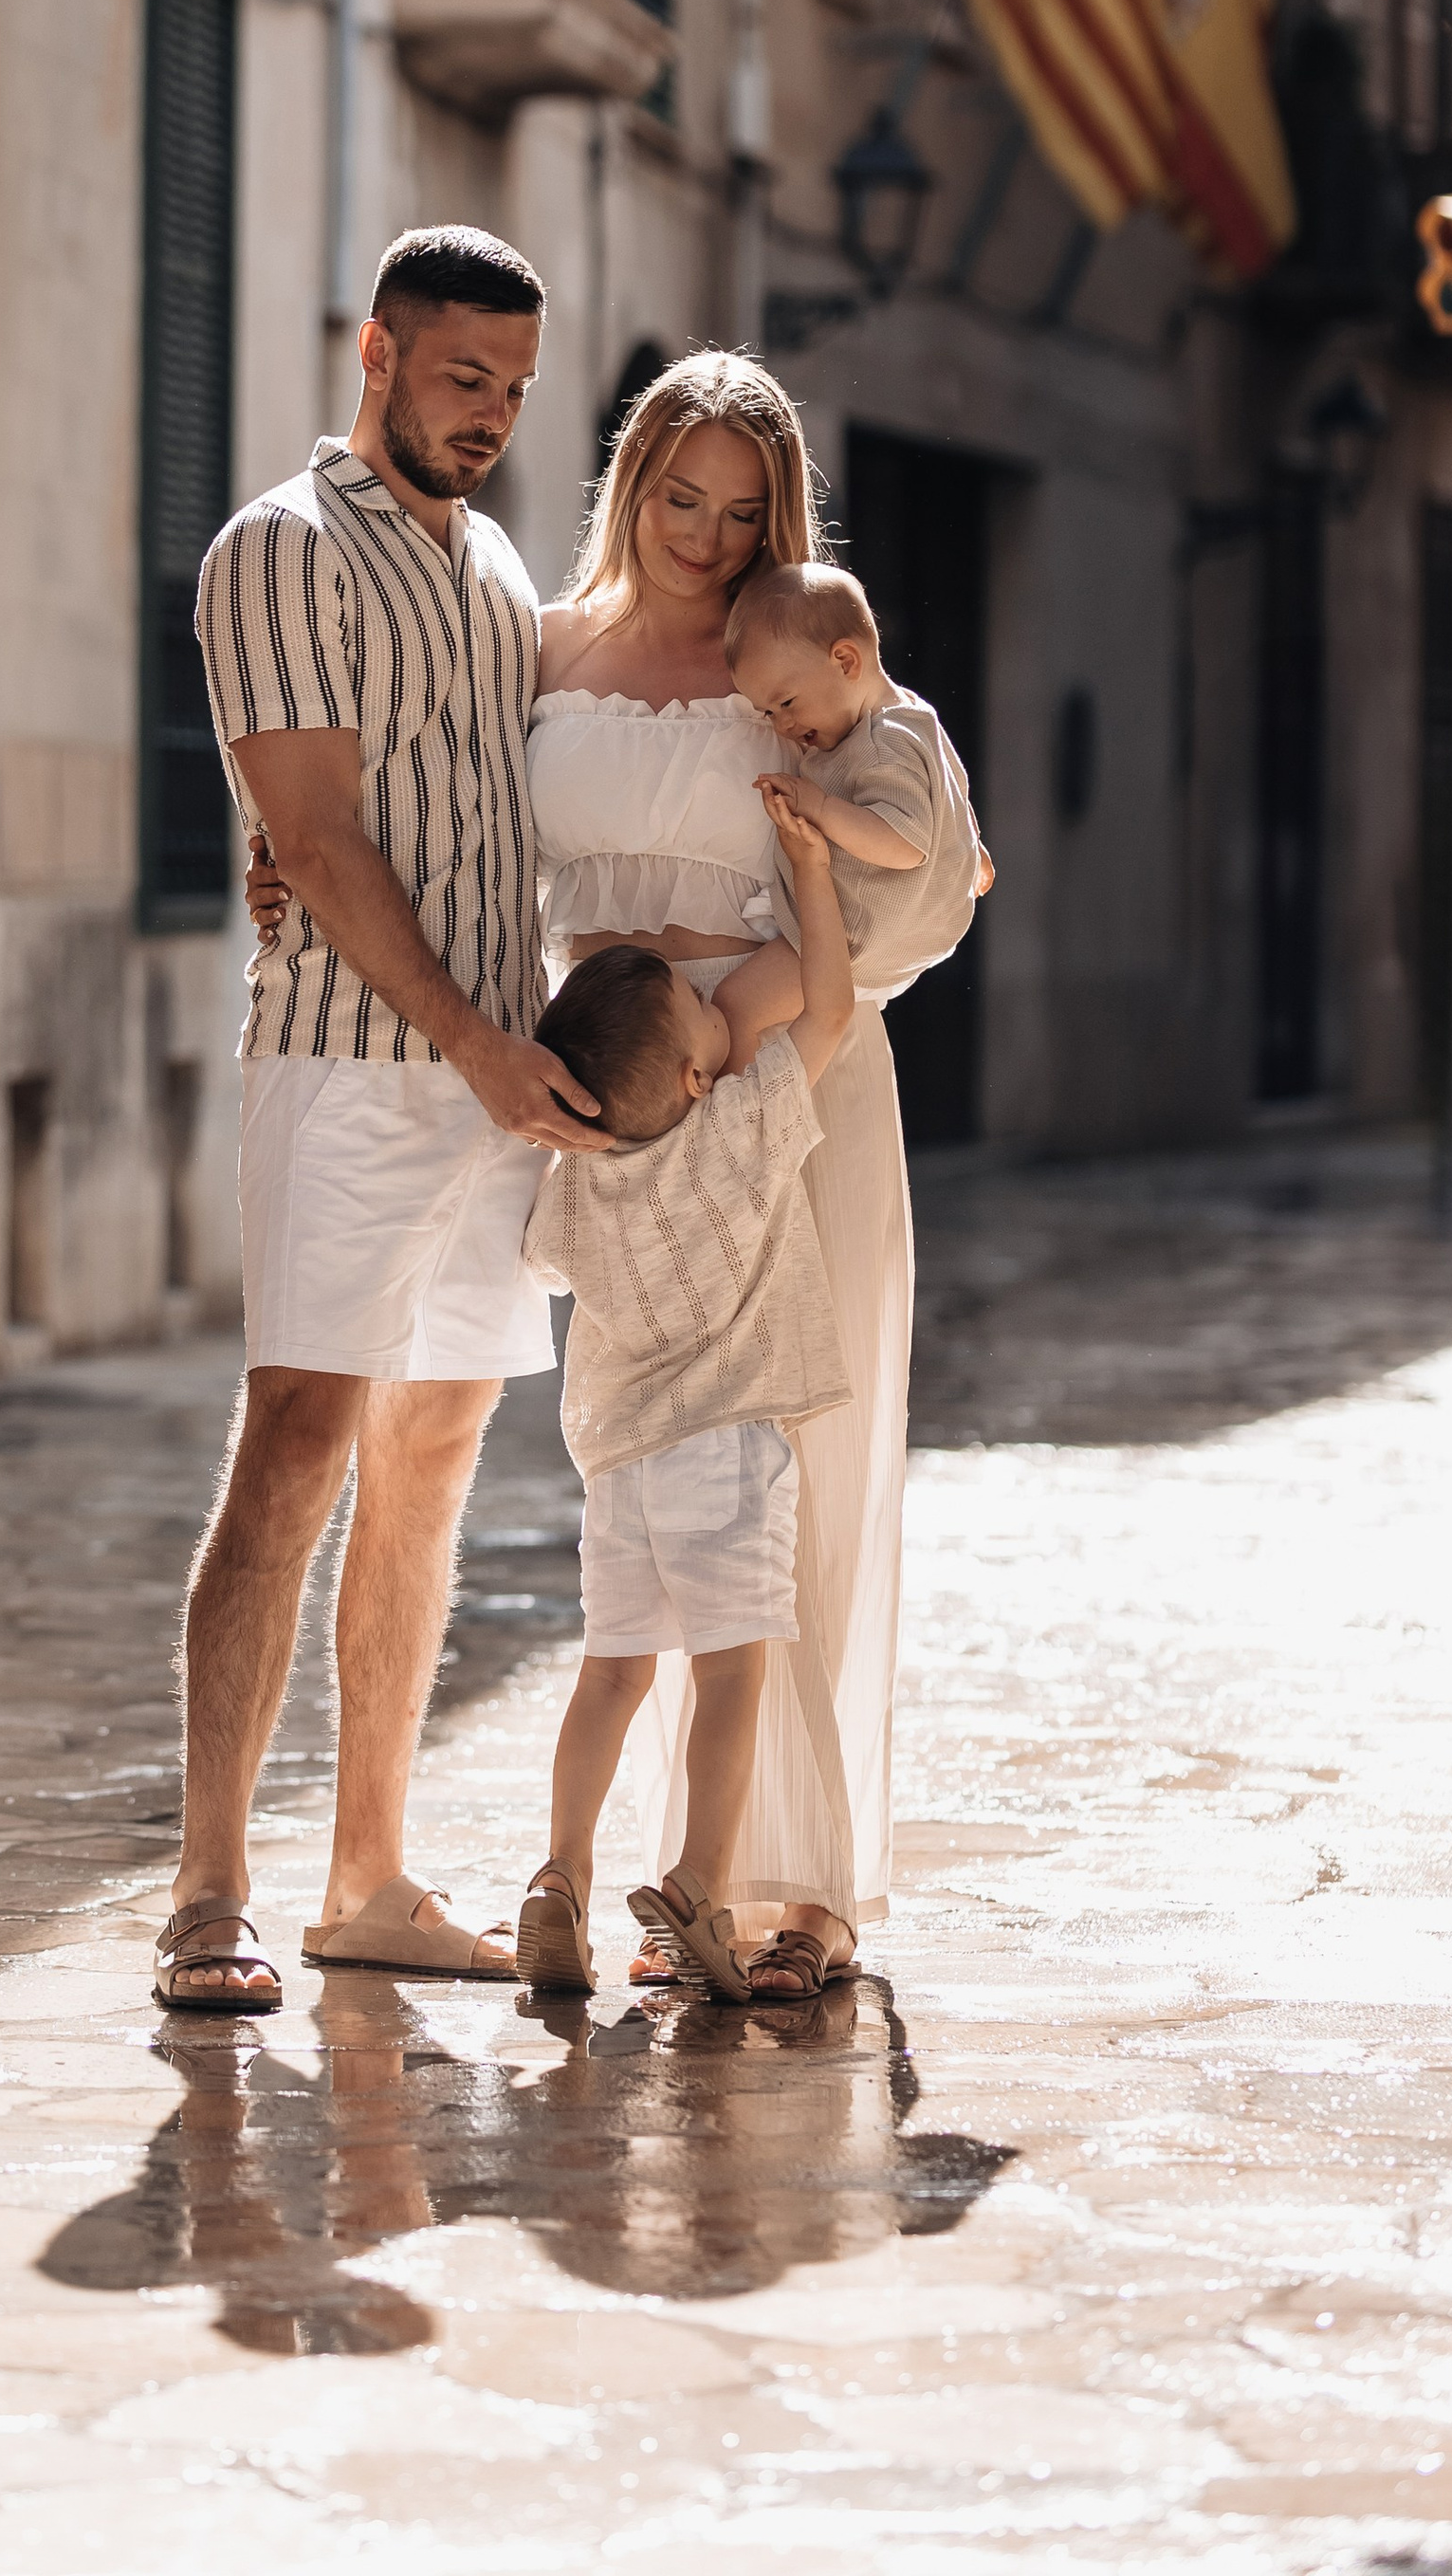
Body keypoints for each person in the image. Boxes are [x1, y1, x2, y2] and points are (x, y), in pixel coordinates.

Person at [248, 347, 964, 2000]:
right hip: (612, 1105)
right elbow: (420, 812)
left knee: (806, 1481)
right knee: (660, 1493)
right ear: (628, 482)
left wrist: (760, 1004)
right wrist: (278, 855)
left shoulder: (800, 668)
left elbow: (926, 878)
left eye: (740, 507)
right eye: (677, 495)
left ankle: (799, 1887)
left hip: (789, 1083)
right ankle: (654, 1871)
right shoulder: (535, 645)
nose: (709, 535)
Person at [156, 225, 608, 2016]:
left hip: (490, 1087)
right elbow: (322, 844)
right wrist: (479, 1049)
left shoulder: (500, 569)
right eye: (459, 375)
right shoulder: (280, 545)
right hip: (353, 1066)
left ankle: (368, 1874)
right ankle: (206, 1889)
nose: (489, 411)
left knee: (428, 1471)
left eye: (511, 383)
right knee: (295, 1445)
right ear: (377, 351)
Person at [511, 783, 857, 2001]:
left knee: (612, 1670)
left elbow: (544, 1259)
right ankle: (701, 1880)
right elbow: (828, 1002)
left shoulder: (580, 1175)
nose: (721, 1015)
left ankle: (557, 1872)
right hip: (728, 1448)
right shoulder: (747, 1124)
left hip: (618, 1467)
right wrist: (813, 875)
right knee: (729, 1673)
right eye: (705, 1018)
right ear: (705, 1081)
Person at [729, 561, 985, 993]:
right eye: (768, 713)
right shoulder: (914, 713)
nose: (781, 725)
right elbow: (950, 790)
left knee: (737, 1002)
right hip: (873, 938)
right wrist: (969, 850)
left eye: (787, 702)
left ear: (845, 661)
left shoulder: (884, 742)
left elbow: (905, 843)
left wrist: (819, 806)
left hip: (847, 938)